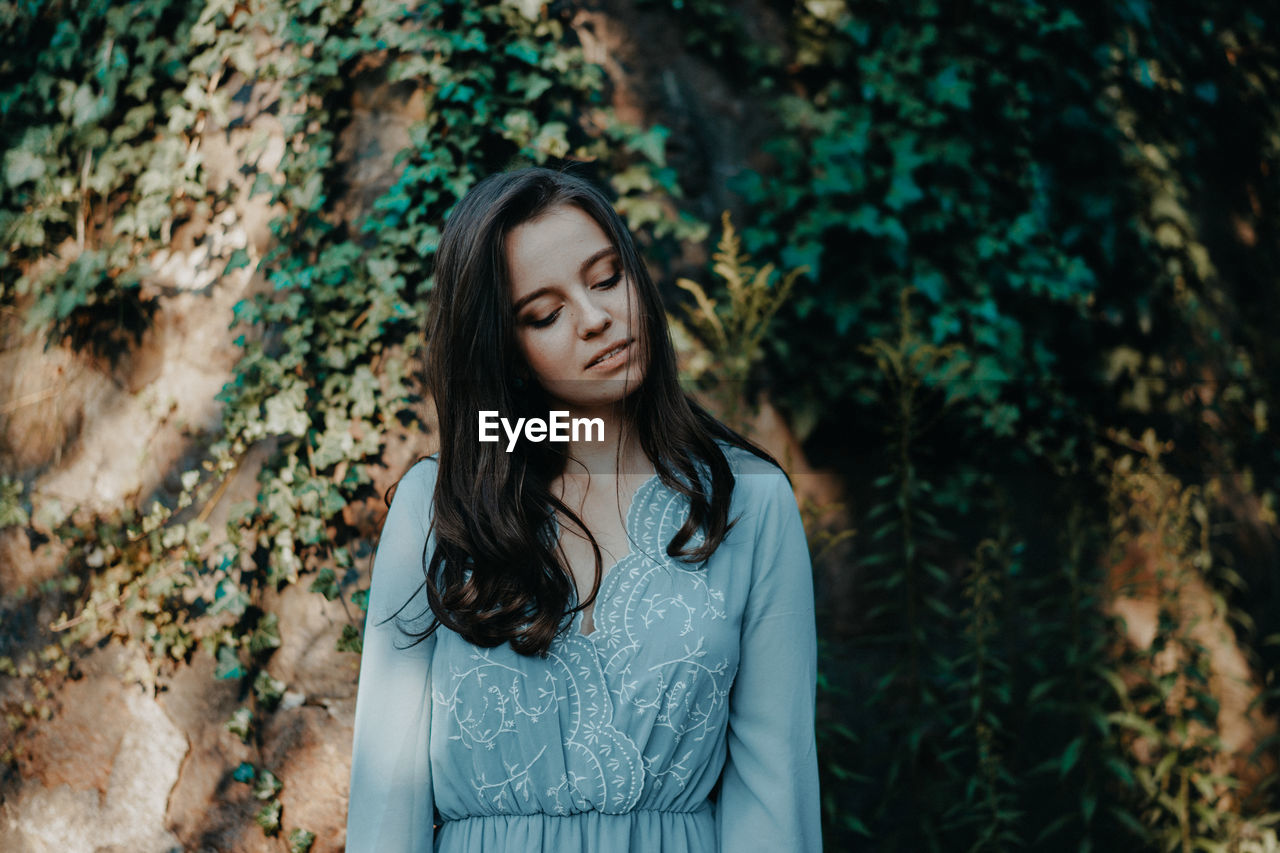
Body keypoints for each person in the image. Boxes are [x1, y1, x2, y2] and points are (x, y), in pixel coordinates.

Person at [346, 166, 820, 852]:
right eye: (546, 312)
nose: (598, 318)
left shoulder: (750, 504)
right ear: (506, 350)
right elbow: (386, 795)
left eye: (606, 278)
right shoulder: (437, 505)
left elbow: (775, 792)